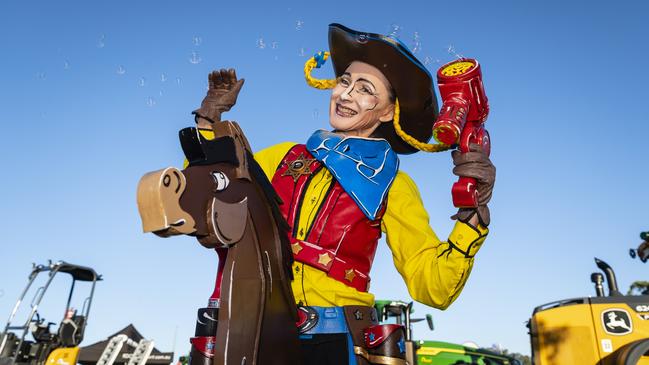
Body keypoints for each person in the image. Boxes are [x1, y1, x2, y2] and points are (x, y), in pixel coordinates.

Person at [192, 23, 495, 365]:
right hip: (258, 336)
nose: (346, 94)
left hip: (339, 345)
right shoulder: (282, 156)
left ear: (387, 112)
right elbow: (215, 188)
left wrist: (473, 214)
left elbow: (432, 286)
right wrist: (209, 118)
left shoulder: (394, 184)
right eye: (344, 82)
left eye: (365, 89)